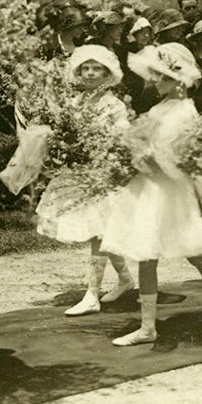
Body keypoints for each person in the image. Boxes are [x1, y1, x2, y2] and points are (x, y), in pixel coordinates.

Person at [100, 43, 202, 346]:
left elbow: (183, 158)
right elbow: (143, 144)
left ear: (180, 79)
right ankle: (147, 327)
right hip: (151, 190)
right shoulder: (158, 109)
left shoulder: (186, 112)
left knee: (196, 252)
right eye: (155, 75)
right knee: (147, 253)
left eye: (163, 76)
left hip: (176, 190)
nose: (155, 81)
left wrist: (150, 159)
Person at [35, 45, 135, 315]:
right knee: (99, 231)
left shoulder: (113, 105)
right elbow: (65, 135)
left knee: (99, 231)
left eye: (97, 68)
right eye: (86, 68)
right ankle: (125, 278)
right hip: (80, 172)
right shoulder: (74, 104)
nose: (91, 73)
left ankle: (92, 294)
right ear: (78, 72)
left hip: (104, 174)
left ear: (107, 73)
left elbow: (122, 139)